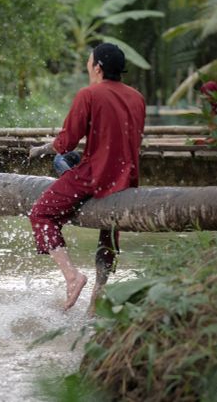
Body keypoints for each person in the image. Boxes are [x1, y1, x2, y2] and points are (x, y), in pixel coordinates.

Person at [28, 43, 146, 312]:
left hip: (95, 176)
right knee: (109, 233)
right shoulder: (137, 97)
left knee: (41, 214)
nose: (88, 71)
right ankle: (97, 298)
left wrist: (42, 149)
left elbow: (66, 143)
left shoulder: (89, 94)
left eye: (89, 66)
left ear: (98, 67)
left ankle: (72, 276)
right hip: (128, 178)